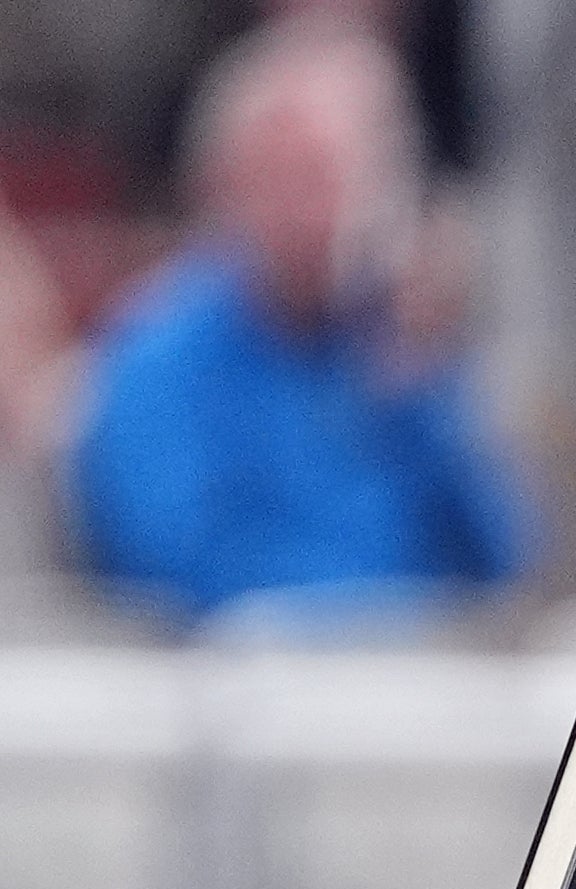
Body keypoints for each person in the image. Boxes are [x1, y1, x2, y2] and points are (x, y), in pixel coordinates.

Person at [59, 21, 524, 631]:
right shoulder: (155, 359)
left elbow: (504, 562)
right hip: (239, 678)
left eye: (339, 177)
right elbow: (173, 570)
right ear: (220, 184)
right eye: (287, 176)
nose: (315, 209)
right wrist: (372, 612)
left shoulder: (400, 344)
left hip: (424, 670)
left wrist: (427, 403)